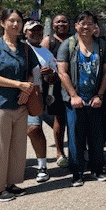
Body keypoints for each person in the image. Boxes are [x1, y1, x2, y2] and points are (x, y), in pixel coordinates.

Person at [0, 9, 38, 201]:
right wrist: (18, 85)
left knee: (17, 147)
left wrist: (27, 89)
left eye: (19, 21)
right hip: (0, 105)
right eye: (11, 20)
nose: (16, 24)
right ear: (2, 23)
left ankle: (11, 183)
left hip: (20, 105)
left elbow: (32, 72)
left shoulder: (25, 48)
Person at [57, 11, 106, 187]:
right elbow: (62, 72)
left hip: (95, 99)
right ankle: (77, 172)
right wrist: (73, 95)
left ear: (95, 26)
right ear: (76, 26)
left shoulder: (101, 45)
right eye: (82, 23)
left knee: (97, 136)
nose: (86, 26)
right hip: (75, 100)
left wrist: (100, 95)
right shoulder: (68, 45)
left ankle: (98, 168)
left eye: (90, 23)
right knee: (75, 137)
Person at [24, 20, 59, 184]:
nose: (36, 33)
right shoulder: (20, 49)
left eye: (39, 30)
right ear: (25, 33)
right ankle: (36, 166)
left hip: (41, 95)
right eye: (32, 30)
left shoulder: (46, 53)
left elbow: (55, 76)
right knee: (31, 130)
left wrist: (50, 73)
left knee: (40, 128)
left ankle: (46, 163)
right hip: (21, 94)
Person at [40, 13, 71, 168]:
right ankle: (60, 152)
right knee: (59, 118)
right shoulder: (48, 41)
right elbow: (42, 62)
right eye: (57, 22)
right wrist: (49, 74)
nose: (61, 24)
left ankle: (78, 150)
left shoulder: (73, 40)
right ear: (52, 25)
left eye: (64, 21)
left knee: (75, 118)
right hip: (55, 85)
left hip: (72, 83)